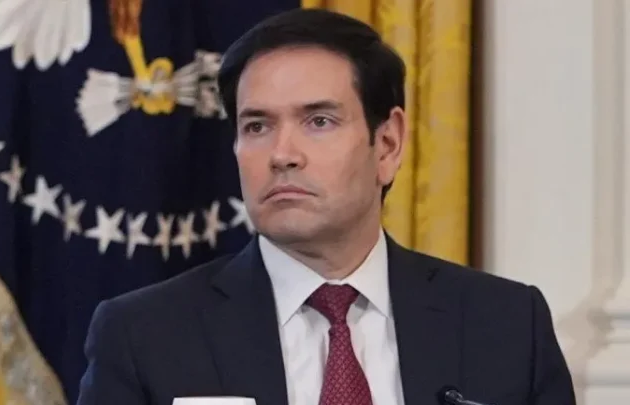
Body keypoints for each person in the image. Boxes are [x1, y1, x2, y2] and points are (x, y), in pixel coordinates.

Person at [76, 8, 576, 405]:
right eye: (257, 126)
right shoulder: (144, 334)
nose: (282, 155)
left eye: (318, 121)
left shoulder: (507, 325)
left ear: (387, 144)